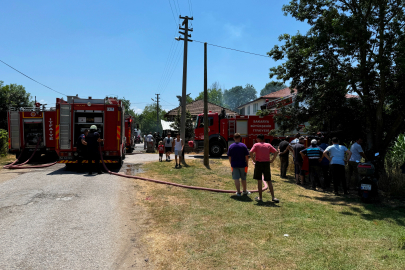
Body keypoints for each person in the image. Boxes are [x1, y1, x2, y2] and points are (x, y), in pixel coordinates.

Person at [250, 134, 279, 203]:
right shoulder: (268, 145)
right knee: (269, 180)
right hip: (266, 164)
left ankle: (260, 198)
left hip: (259, 163)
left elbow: (250, 152)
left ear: (259, 139)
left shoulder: (256, 145)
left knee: (259, 180)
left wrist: (253, 160)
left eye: (257, 139)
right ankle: (273, 197)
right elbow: (276, 152)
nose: (256, 140)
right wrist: (272, 160)